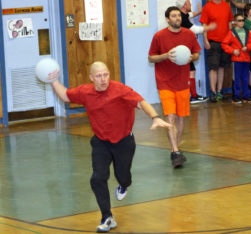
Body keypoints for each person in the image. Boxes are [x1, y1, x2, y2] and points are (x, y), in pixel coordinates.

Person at [50, 61, 171, 232]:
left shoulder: (120, 90)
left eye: (106, 74)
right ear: (91, 78)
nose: (103, 79)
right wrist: (53, 80)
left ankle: (124, 184)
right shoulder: (85, 92)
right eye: (98, 76)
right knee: (97, 178)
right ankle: (107, 217)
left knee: (123, 176)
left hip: (124, 142)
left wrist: (155, 116)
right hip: (101, 143)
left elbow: (141, 102)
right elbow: (66, 96)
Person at [148, 6, 201, 168]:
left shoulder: (189, 34)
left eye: (179, 15)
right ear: (167, 19)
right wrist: (165, 56)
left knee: (181, 118)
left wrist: (192, 56)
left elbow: (197, 53)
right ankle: (176, 152)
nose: (177, 18)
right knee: (170, 116)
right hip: (164, 82)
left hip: (182, 82)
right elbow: (151, 58)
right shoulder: (159, 36)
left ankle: (174, 150)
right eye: (174, 16)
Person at [176, 0, 216, 104]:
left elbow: (190, 14)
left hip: (184, 47)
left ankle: (192, 95)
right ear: (184, 5)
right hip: (183, 49)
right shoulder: (182, 18)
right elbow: (195, 29)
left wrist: (199, 12)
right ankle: (192, 96)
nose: (190, 5)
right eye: (189, 3)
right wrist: (209, 27)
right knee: (189, 72)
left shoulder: (183, 14)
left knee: (190, 71)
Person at [199, 0, 233, 102]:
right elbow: (204, 25)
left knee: (222, 68)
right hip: (213, 42)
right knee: (213, 68)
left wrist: (230, 40)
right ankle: (213, 92)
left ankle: (219, 91)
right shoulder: (207, 7)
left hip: (225, 43)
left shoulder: (226, 6)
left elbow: (229, 24)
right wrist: (205, 40)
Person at [222, 14, 251, 103]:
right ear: (235, 22)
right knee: (236, 78)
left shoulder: (247, 32)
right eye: (239, 20)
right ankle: (236, 96)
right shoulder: (231, 32)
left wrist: (247, 47)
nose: (242, 22)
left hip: (246, 58)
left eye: (243, 20)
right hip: (237, 59)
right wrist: (233, 51)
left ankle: (246, 96)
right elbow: (224, 44)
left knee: (246, 78)